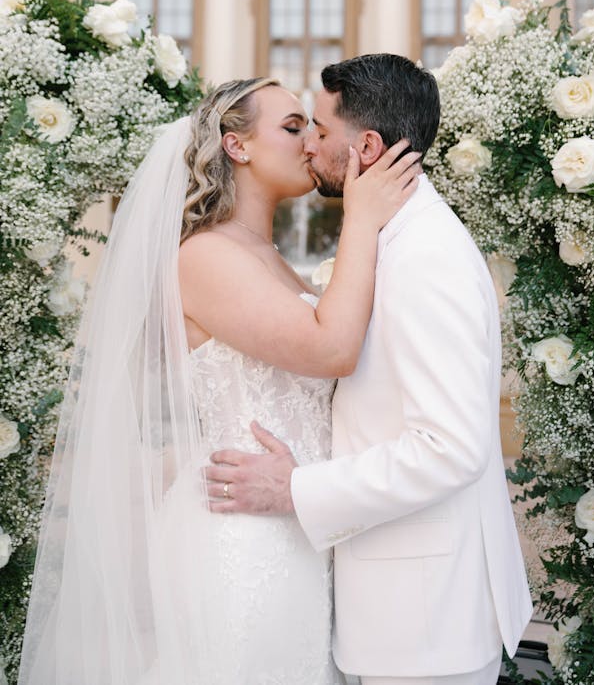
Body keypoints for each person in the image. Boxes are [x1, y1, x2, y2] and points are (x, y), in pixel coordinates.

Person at [18, 76, 421, 685]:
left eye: (313, 127)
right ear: (237, 147)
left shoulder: (267, 256)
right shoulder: (203, 256)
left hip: (295, 526)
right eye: (292, 127)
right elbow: (332, 348)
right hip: (240, 543)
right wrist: (361, 221)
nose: (311, 143)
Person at [205, 54, 533, 685]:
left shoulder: (425, 256)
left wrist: (296, 489)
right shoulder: (391, 235)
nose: (310, 148)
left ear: (368, 145)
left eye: (320, 132)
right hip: (386, 602)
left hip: (424, 619)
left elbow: (452, 449)